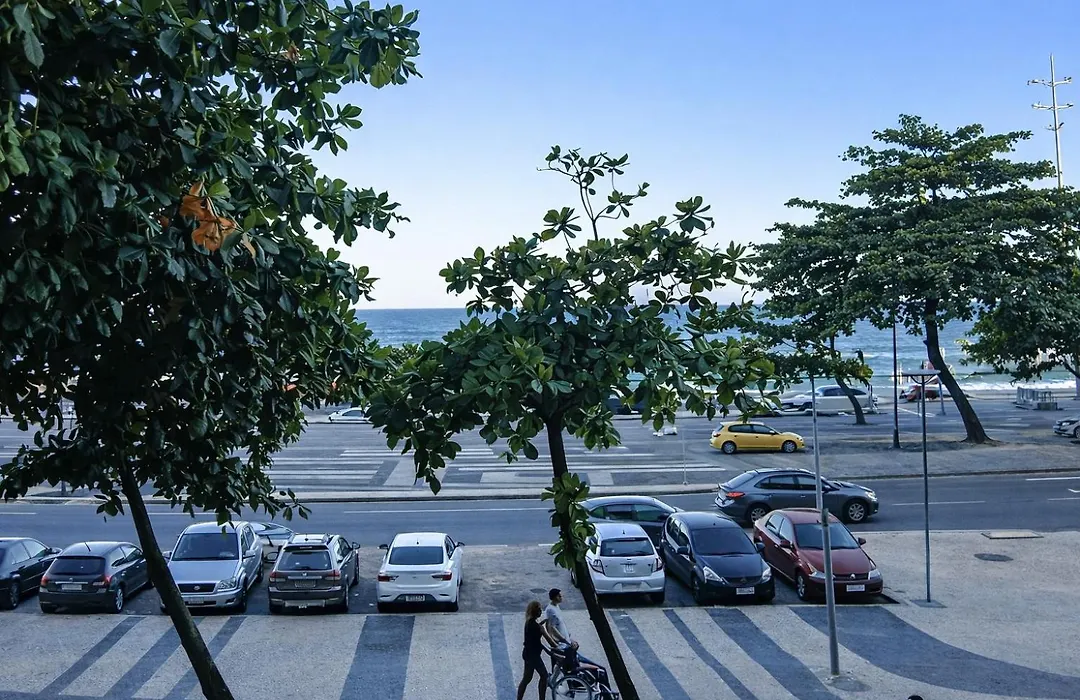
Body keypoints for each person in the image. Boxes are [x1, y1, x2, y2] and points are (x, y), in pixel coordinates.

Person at [517, 600, 556, 700]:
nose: (541, 611)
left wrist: (540, 626)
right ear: (535, 612)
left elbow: (534, 639)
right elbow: (550, 642)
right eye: (539, 610)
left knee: (527, 678)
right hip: (533, 656)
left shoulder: (529, 622)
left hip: (528, 654)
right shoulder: (537, 627)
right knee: (544, 676)